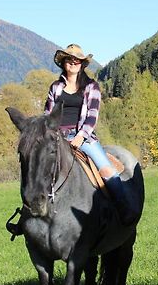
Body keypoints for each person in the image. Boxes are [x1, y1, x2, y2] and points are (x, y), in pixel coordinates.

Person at [7, 44, 128, 236]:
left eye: (77, 60)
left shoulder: (91, 87)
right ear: (63, 63)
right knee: (36, 169)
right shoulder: (55, 87)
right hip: (56, 138)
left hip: (84, 138)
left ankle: (124, 211)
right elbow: (48, 115)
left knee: (108, 172)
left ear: (81, 64)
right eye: (69, 59)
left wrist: (80, 136)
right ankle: (25, 217)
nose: (73, 62)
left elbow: (92, 116)